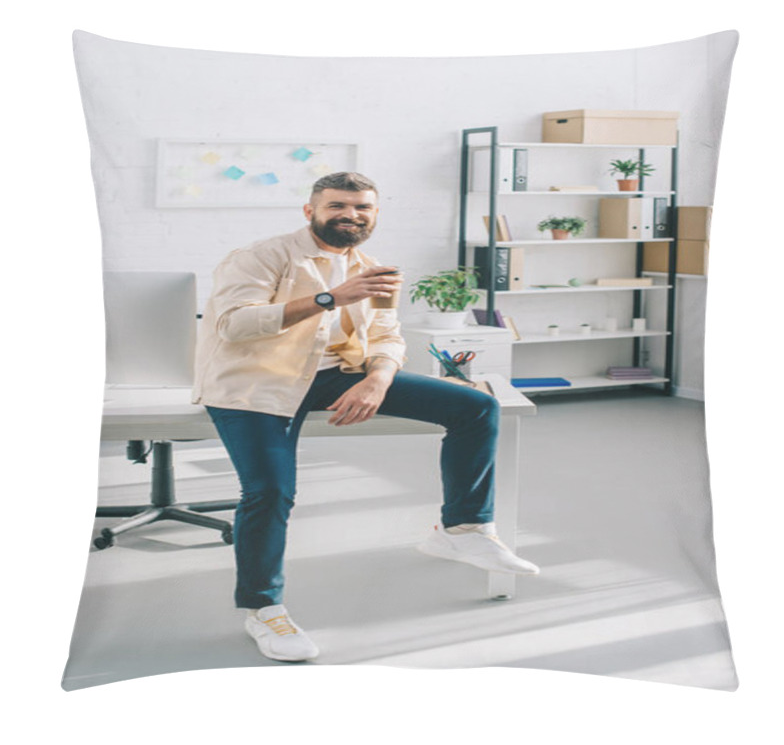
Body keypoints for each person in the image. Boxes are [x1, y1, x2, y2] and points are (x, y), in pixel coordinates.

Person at [192, 172, 539, 663]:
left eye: (363, 208)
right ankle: (263, 609)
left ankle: (463, 531)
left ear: (374, 214)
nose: (351, 216)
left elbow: (386, 334)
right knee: (269, 491)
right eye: (337, 206)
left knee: (475, 405)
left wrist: (377, 379)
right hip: (255, 382)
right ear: (309, 211)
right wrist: (333, 297)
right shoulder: (260, 257)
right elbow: (232, 326)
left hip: (335, 375)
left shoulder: (372, 267)